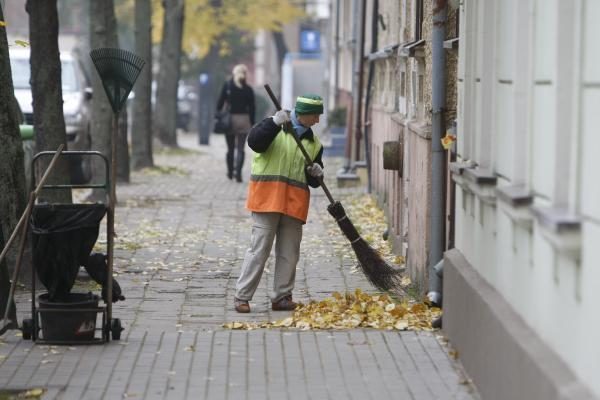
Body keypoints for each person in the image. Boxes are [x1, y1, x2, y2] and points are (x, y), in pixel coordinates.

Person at [234, 94, 325, 313]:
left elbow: (314, 182)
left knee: (289, 252)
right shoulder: (275, 127)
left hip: (294, 203)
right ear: (302, 114)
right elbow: (254, 142)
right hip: (267, 199)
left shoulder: (314, 143)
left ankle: (282, 297)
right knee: (259, 250)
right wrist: (274, 122)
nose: (317, 121)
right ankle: (242, 297)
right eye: (315, 115)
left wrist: (317, 173)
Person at [216, 64, 255, 182]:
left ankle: (229, 172)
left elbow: (219, 104)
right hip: (244, 120)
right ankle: (238, 173)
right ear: (245, 74)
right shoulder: (248, 89)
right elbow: (252, 108)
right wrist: (252, 122)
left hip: (230, 120)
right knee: (241, 148)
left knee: (230, 148)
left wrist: (219, 115)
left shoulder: (228, 86)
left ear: (234, 73)